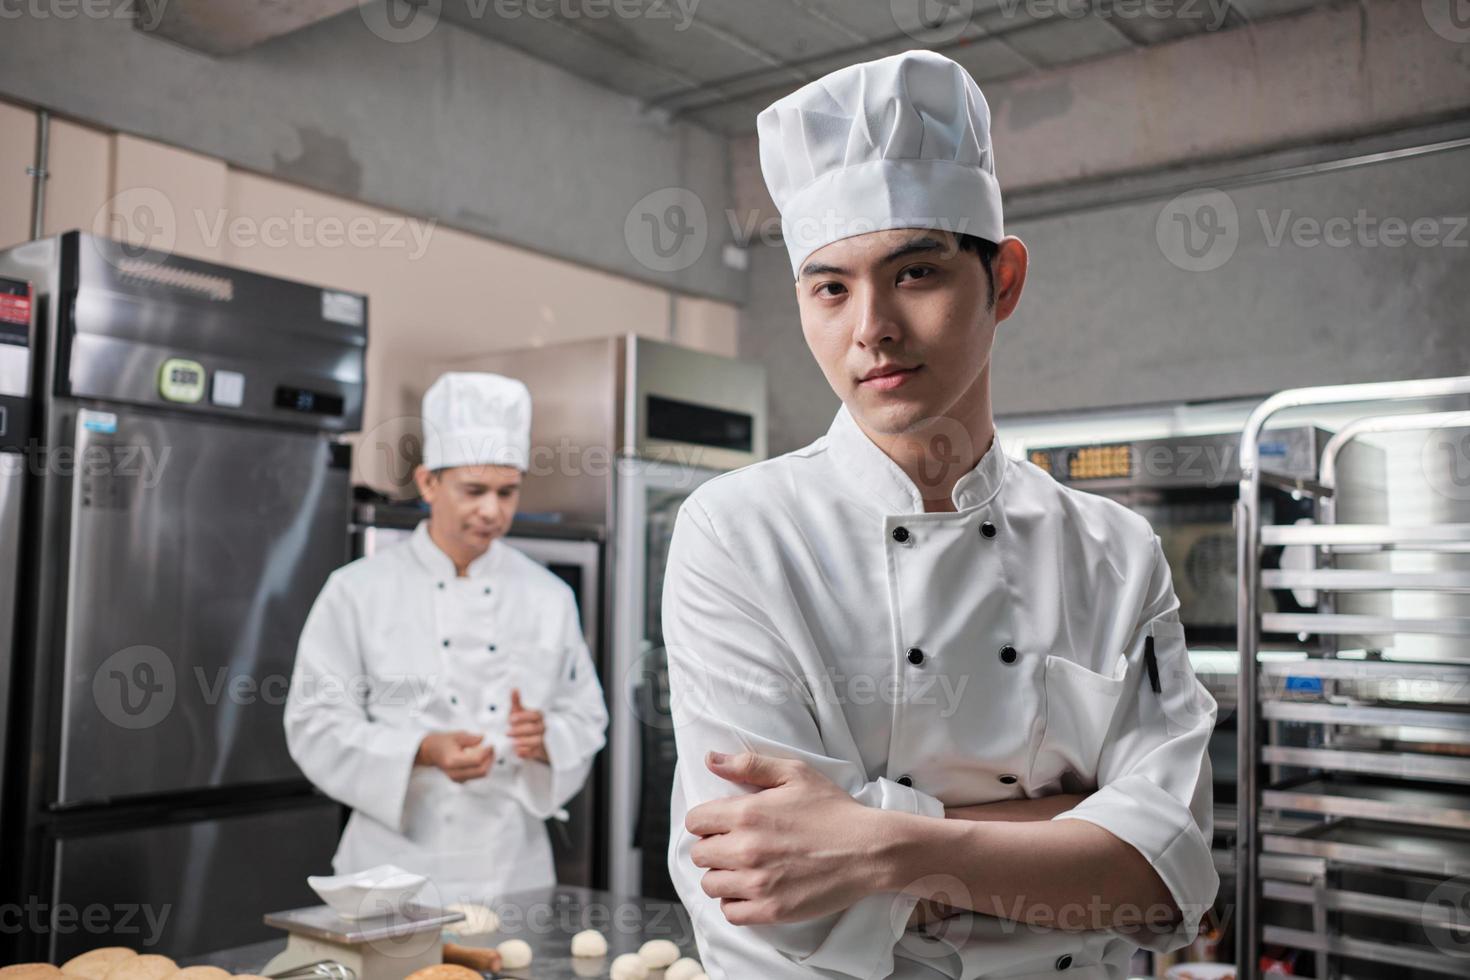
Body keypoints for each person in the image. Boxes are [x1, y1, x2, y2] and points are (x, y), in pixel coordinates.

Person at [663, 50, 1218, 979]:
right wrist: (1067, 828)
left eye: (914, 272)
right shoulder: (738, 533)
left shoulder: (1114, 551)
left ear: (1002, 281)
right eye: (830, 286)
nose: (869, 326)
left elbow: (1172, 879)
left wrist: (876, 844)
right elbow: (768, 892)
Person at [286, 372, 608, 905]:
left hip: (514, 870)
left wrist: (547, 737)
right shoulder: (357, 590)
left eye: (508, 492)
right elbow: (314, 721)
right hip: (390, 871)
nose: (492, 510)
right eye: (474, 490)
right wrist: (420, 749)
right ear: (429, 483)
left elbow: (587, 716)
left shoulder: (547, 594)